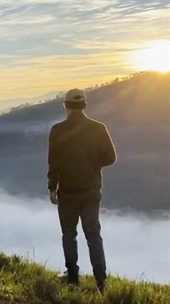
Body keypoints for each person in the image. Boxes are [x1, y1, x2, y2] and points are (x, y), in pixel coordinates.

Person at [48, 88, 116, 292]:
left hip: (67, 191)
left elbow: (54, 163)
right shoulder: (99, 128)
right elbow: (111, 158)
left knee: (69, 234)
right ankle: (101, 281)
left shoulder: (58, 130)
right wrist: (92, 164)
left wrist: (52, 188)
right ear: (84, 105)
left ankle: (72, 278)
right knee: (93, 234)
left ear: (66, 105)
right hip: (91, 190)